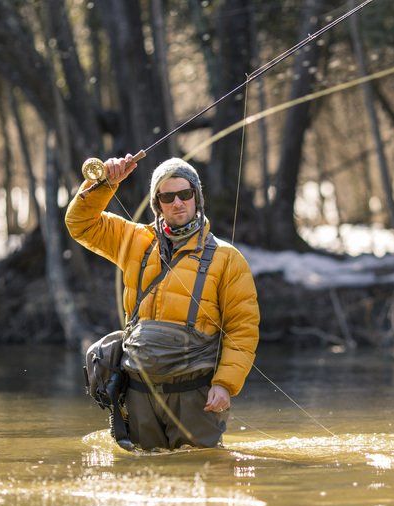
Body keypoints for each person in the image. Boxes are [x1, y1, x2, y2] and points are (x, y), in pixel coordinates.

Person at [65, 154, 259, 450]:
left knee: (200, 476)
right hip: (139, 394)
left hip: (195, 397)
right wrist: (103, 183)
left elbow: (242, 329)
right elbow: (79, 224)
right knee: (144, 477)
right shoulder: (133, 239)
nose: (177, 203)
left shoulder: (228, 258)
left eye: (185, 194)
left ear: (197, 198)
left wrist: (224, 384)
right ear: (157, 203)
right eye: (167, 197)